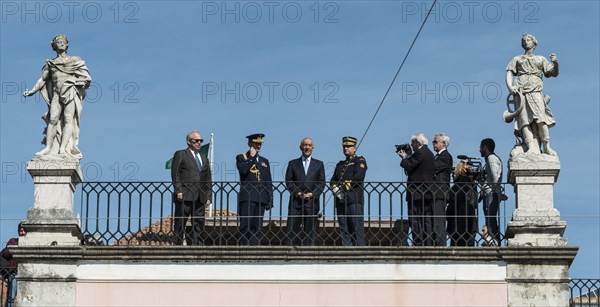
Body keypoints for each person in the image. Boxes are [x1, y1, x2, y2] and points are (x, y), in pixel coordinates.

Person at [23, 34, 92, 159]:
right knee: (53, 119)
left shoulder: (75, 60)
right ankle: (48, 148)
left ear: (66, 45)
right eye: (58, 42)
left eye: (63, 42)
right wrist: (32, 91)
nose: (61, 43)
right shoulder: (51, 63)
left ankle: (62, 149)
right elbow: (43, 80)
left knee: (68, 119)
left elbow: (87, 78)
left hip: (70, 91)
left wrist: (79, 82)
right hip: (56, 93)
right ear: (54, 46)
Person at [505, 33, 559, 156]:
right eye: (523, 40)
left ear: (534, 43)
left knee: (541, 119)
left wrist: (556, 63)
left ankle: (546, 146)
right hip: (520, 93)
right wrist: (510, 87)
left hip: (536, 91)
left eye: (528, 40)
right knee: (523, 121)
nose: (525, 42)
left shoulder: (540, 59)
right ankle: (531, 146)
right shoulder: (517, 59)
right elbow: (509, 73)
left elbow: (553, 73)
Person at [171, 130, 212, 245]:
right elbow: (176, 174)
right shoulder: (181, 154)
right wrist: (178, 190)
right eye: (196, 140)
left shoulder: (204, 158)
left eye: (201, 141)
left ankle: (197, 247)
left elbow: (208, 178)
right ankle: (177, 245)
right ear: (189, 142)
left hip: (200, 196)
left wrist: (208, 196)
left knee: (199, 224)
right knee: (180, 223)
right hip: (185, 195)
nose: (199, 143)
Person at [284, 138, 326, 246]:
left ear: (313, 148)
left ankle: (309, 256)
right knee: (291, 231)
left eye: (309, 145)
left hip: (311, 203)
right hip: (296, 203)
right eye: (305, 145)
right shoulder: (292, 163)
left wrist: (313, 194)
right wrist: (297, 193)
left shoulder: (319, 164)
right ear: (301, 147)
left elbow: (322, 183)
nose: (307, 147)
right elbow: (289, 181)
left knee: (310, 232)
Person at [398, 132, 435, 246]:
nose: (411, 145)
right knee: (426, 218)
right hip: (427, 191)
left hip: (417, 191)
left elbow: (409, 166)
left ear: (417, 143)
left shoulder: (420, 153)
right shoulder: (429, 153)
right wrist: (409, 155)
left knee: (415, 218)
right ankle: (428, 242)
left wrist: (404, 158)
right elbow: (417, 166)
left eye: (413, 143)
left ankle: (418, 242)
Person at [236, 133, 273, 245]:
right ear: (250, 143)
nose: (258, 146)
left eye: (260, 144)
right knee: (245, 226)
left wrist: (270, 199)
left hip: (261, 198)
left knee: (258, 227)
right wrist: (251, 157)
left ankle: (255, 250)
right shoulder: (242, 157)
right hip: (248, 197)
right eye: (256, 144)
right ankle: (243, 251)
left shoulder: (264, 161)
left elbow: (268, 181)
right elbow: (243, 171)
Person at [330, 136, 367, 246]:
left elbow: (359, 177)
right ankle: (347, 251)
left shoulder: (359, 160)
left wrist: (347, 184)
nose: (346, 148)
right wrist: (337, 190)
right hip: (341, 200)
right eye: (344, 146)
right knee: (344, 229)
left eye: (348, 146)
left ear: (355, 148)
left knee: (357, 229)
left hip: (354, 199)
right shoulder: (340, 164)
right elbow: (333, 181)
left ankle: (360, 253)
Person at [479, 138, 506, 245]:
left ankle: (494, 241)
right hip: (491, 192)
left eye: (480, 147)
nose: (479, 149)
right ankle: (492, 240)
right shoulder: (490, 159)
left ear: (485, 147)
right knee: (489, 218)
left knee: (490, 218)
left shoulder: (491, 158)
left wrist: (498, 193)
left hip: (491, 193)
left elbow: (495, 177)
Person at [446, 160, 478, 247]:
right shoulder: (472, 183)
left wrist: (447, 213)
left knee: (457, 250)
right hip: (470, 222)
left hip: (460, 223)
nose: (452, 175)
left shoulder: (461, 181)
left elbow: (455, 201)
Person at [432, 133, 453, 246]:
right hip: (434, 192)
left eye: (435, 142)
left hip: (439, 192)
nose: (433, 144)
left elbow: (433, 167)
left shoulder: (445, 156)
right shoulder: (438, 156)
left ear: (443, 143)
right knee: (434, 220)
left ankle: (440, 245)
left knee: (439, 221)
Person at [1, 224, 26, 307]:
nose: (22, 233)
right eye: (21, 231)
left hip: (26, 273)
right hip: (14, 273)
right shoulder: (13, 241)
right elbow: (5, 253)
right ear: (18, 232)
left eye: (24, 231)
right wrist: (17, 249)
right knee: (11, 297)